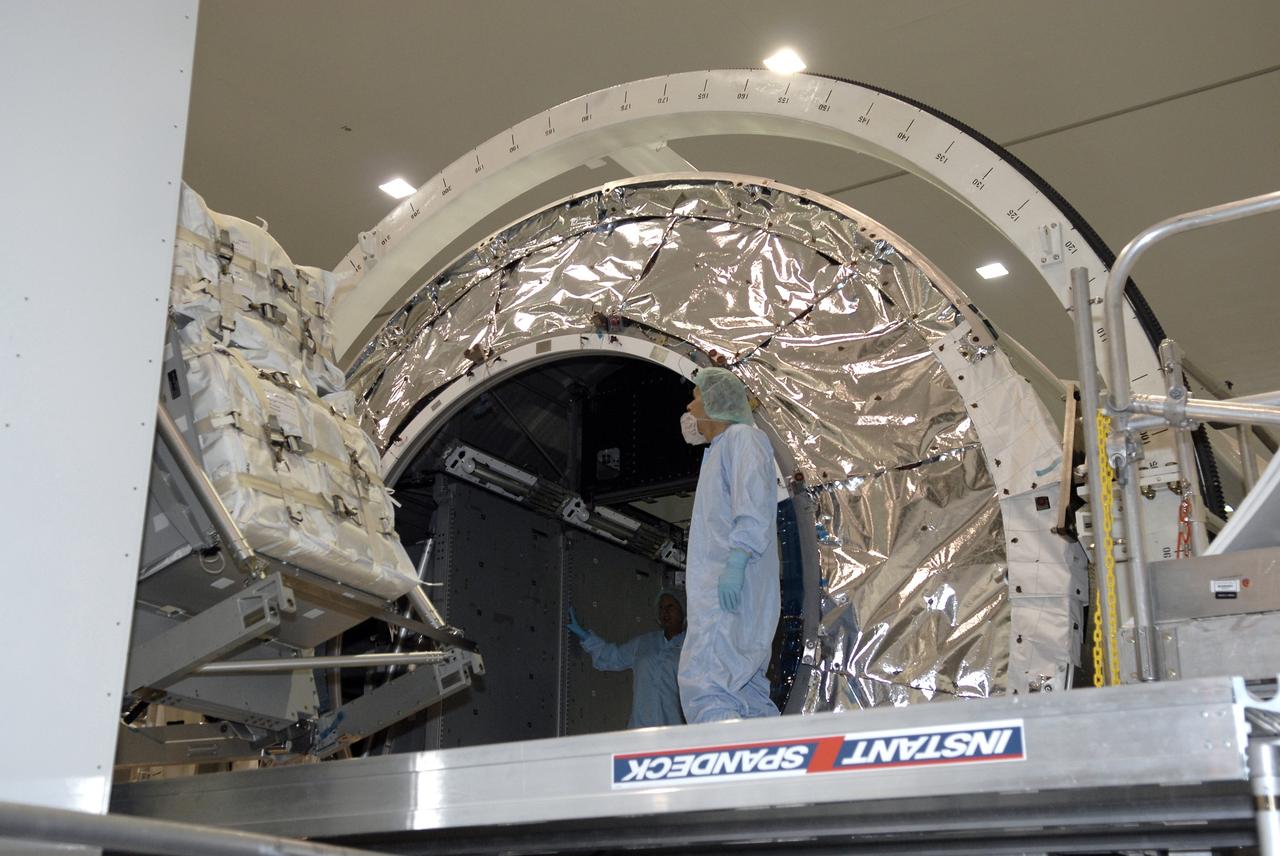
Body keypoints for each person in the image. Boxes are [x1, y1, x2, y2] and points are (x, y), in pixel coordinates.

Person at [677, 366, 781, 723]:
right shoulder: (722, 449)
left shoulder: (742, 439)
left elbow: (751, 505)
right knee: (745, 691)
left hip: (728, 590)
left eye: (695, 398)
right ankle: (769, 769)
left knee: (706, 683)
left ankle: (724, 771)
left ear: (716, 403)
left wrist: (737, 561)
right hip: (731, 591)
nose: (690, 410)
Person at [566, 592, 686, 728]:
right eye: (661, 608)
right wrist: (584, 635)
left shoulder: (691, 647)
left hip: (675, 734)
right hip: (640, 731)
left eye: (670, 607)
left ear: (683, 609)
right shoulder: (645, 642)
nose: (665, 612)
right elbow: (613, 657)